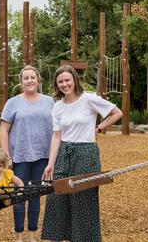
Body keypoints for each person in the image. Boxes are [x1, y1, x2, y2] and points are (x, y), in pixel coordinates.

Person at [41, 65, 123, 242]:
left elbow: (117, 113)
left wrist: (99, 128)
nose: (64, 84)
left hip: (86, 153)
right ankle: (59, 237)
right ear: (57, 84)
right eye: (60, 81)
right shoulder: (57, 107)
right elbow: (56, 137)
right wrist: (50, 163)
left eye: (67, 80)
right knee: (58, 197)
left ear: (74, 80)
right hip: (64, 152)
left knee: (83, 199)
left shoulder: (89, 99)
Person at [0, 65, 54, 242]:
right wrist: (6, 156)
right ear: (21, 82)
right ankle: (19, 236)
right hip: (19, 158)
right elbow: (3, 130)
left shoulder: (49, 102)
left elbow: (57, 130)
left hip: (42, 157)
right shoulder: (13, 102)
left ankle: (32, 235)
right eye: (26, 78)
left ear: (38, 80)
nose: (29, 80)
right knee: (19, 196)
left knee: (35, 197)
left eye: (33, 77)